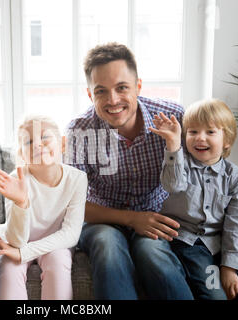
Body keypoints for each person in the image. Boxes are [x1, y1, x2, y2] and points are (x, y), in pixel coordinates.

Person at [65, 42, 193, 299]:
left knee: (153, 254)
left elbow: (196, 177)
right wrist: (132, 219)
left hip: (156, 214)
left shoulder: (174, 116)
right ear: (90, 95)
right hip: (102, 219)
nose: (113, 100)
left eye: (122, 87)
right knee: (108, 247)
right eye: (101, 91)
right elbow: (73, 203)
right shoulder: (79, 131)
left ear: (138, 86)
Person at [149, 99, 238, 299]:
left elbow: (237, 223)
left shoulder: (234, 177)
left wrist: (229, 266)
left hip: (220, 245)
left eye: (210, 132)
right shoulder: (180, 164)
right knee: (215, 295)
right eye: (193, 132)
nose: (200, 138)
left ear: (226, 139)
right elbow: (172, 185)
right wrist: (173, 145)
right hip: (189, 244)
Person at [0, 115, 87, 300]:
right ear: (22, 155)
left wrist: (24, 253)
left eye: (45, 137)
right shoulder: (15, 180)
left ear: (62, 144)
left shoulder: (77, 179)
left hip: (56, 243)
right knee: (9, 265)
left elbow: (71, 235)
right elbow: (17, 241)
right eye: (28, 141)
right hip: (17, 240)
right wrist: (21, 203)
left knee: (58, 260)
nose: (37, 145)